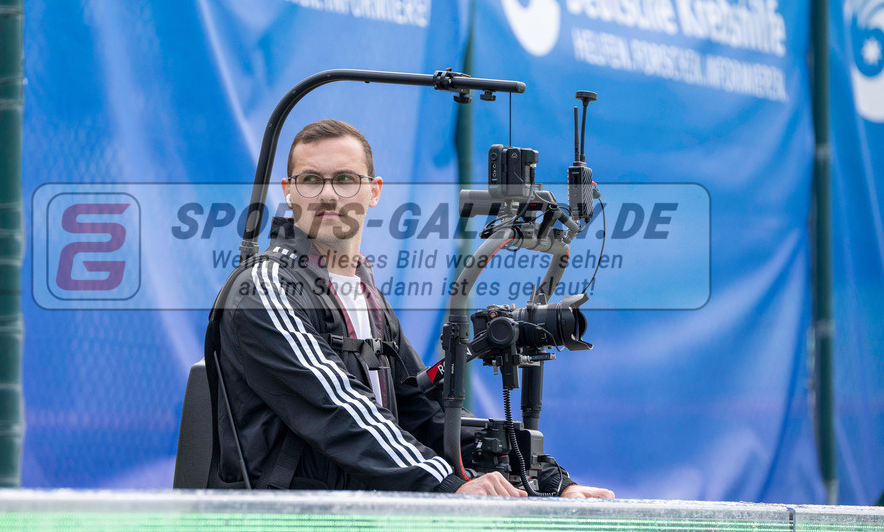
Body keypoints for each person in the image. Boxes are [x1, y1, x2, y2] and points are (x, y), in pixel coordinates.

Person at [207, 119, 614, 497]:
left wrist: (552, 483)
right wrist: (447, 486)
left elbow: (426, 414)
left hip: (359, 529)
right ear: (288, 189)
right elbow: (339, 410)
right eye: (311, 180)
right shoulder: (263, 288)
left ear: (374, 190)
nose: (328, 194)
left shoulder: (366, 295)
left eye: (346, 179)